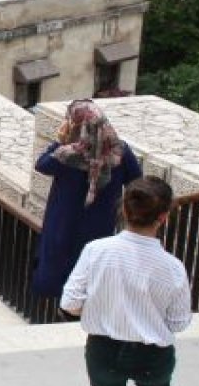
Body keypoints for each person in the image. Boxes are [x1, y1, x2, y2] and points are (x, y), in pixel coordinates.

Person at [60, 176, 191, 386]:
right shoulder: (172, 268)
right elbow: (178, 322)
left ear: (125, 209)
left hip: (103, 349)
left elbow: (69, 304)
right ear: (164, 217)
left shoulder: (96, 251)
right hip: (151, 353)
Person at [34, 99, 142, 298]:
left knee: (60, 278)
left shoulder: (68, 154)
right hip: (101, 225)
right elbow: (136, 181)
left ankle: (62, 313)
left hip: (63, 224)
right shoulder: (120, 151)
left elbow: (41, 165)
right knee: (91, 276)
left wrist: (60, 140)